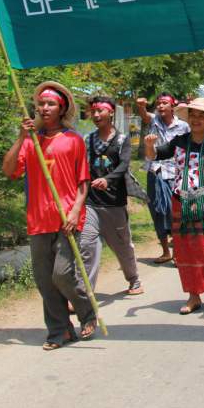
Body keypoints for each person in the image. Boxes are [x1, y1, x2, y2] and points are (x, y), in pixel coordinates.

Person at [2, 82, 97, 350]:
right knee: (44, 280)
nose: (44, 108)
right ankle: (59, 331)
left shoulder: (73, 140)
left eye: (50, 104)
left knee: (62, 274)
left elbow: (83, 181)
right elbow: (9, 171)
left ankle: (87, 313)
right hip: (38, 219)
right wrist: (21, 137)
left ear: (62, 108)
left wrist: (76, 209)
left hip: (67, 217)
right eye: (41, 104)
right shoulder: (30, 140)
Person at [144, 98, 204, 314]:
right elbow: (155, 155)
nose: (196, 119)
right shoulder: (178, 142)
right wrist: (148, 145)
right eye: (193, 115)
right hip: (180, 201)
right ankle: (194, 295)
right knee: (184, 252)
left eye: (201, 116)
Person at [79, 95, 143, 298]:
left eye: (101, 111)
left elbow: (124, 164)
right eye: (94, 111)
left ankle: (134, 279)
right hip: (91, 203)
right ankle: (85, 292)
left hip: (114, 203)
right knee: (86, 245)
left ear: (111, 112)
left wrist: (108, 179)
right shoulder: (88, 139)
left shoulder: (122, 139)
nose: (96, 115)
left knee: (122, 246)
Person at [136, 93, 189, 264]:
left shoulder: (183, 126)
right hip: (156, 172)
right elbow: (144, 115)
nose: (160, 106)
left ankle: (179, 251)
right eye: (158, 103)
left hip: (176, 173)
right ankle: (166, 251)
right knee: (157, 212)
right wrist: (141, 106)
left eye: (164, 103)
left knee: (175, 213)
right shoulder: (154, 121)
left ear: (172, 106)